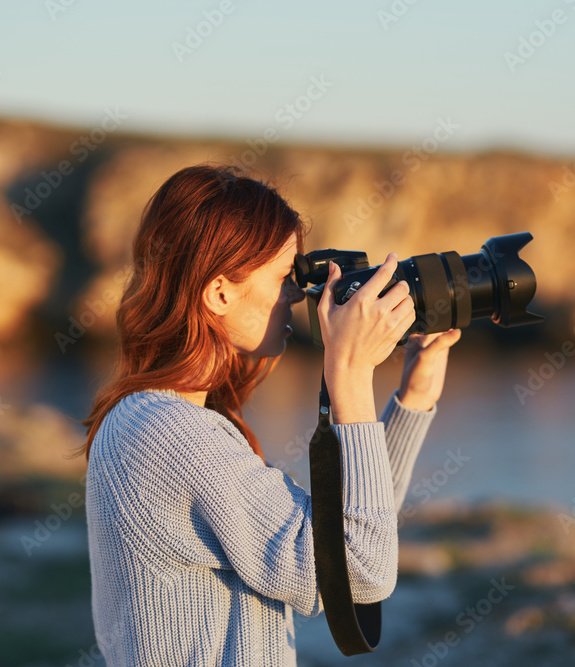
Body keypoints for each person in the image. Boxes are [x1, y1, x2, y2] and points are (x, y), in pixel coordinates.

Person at [79, 164, 461, 665]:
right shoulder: (165, 434)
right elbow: (360, 569)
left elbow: (344, 539)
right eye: (285, 277)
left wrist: (413, 393)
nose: (297, 294)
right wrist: (348, 370)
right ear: (219, 292)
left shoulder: (164, 421)